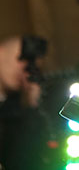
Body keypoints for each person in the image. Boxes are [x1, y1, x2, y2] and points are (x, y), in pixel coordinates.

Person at [0, 34, 50, 169]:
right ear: (1, 52)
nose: (25, 69)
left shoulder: (15, 113)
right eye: (22, 59)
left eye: (33, 66)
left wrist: (32, 106)